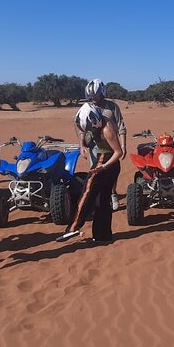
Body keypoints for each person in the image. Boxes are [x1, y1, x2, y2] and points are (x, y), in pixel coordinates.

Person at [58, 102, 123, 243]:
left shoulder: (107, 129)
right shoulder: (95, 126)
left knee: (87, 192)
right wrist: (82, 144)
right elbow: (84, 135)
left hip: (106, 161)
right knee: (102, 200)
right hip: (106, 163)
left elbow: (118, 152)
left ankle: (73, 227)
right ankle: (102, 235)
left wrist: (103, 166)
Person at [77, 78, 127, 210]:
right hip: (94, 146)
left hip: (111, 144)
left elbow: (121, 125)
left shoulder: (112, 107)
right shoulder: (88, 109)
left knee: (111, 171)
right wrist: (82, 145)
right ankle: (98, 199)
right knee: (96, 173)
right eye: (91, 96)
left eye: (96, 96)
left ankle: (113, 193)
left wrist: (123, 145)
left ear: (102, 93)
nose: (93, 99)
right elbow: (82, 129)